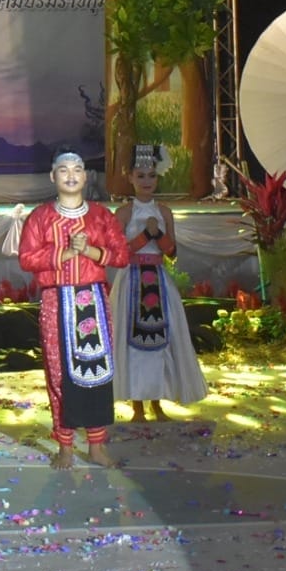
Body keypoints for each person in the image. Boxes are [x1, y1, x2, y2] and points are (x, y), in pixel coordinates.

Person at [17, 151, 131, 467]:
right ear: (52, 176)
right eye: (63, 170)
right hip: (56, 300)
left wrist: (90, 251)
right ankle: (65, 446)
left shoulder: (101, 216)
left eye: (77, 169)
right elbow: (26, 258)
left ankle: (96, 445)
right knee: (59, 372)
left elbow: (122, 255)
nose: (71, 175)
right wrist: (64, 253)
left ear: (86, 176)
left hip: (93, 300)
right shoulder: (40, 217)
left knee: (97, 372)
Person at [110, 146, 208, 421]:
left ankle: (156, 402)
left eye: (151, 175)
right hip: (131, 281)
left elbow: (172, 252)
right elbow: (117, 254)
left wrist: (157, 234)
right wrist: (145, 234)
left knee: (161, 343)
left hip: (158, 280)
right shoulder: (123, 213)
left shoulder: (164, 211)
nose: (146, 181)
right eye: (140, 176)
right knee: (132, 346)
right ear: (130, 177)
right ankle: (137, 406)